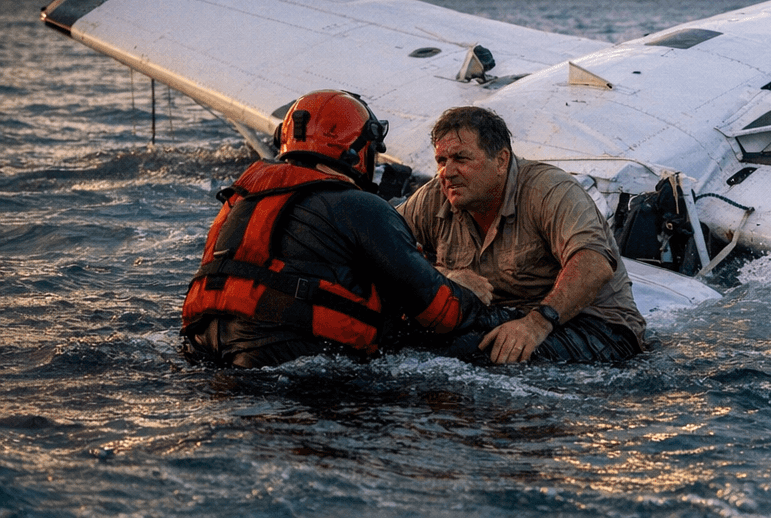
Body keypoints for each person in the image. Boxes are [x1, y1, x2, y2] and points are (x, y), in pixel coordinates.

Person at [181, 90, 511, 368]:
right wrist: (463, 289)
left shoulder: (239, 198)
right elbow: (441, 313)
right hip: (292, 366)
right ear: (357, 150)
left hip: (201, 352)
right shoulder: (359, 206)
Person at [397, 106, 646, 364]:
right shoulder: (435, 195)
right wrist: (444, 277)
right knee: (404, 338)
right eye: (441, 161)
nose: (447, 172)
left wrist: (536, 324)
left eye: (461, 159)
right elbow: (381, 244)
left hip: (596, 326)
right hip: (506, 318)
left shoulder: (549, 190)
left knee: (465, 357)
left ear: (501, 161)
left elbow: (594, 265)